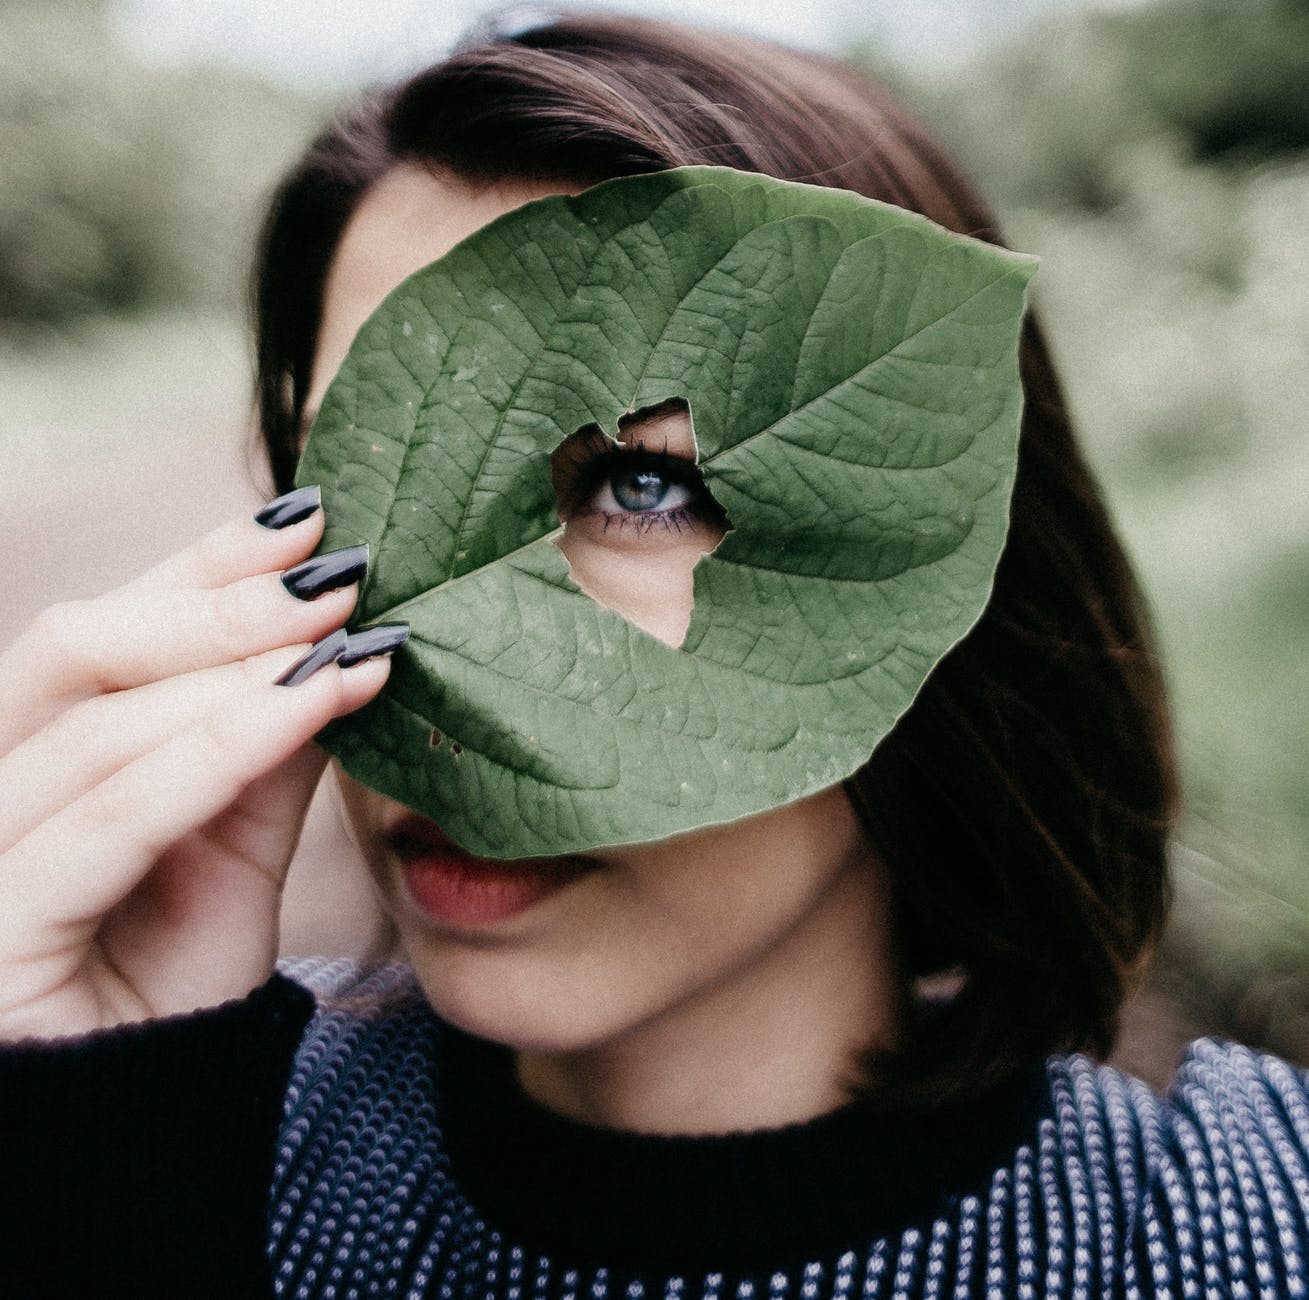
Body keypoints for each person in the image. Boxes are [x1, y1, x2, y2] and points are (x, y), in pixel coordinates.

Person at [2, 13, 1306, 1299]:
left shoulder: (1242, 1234)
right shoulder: (169, 1136)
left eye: (639, 486)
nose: (427, 646)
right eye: (366, 478)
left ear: (947, 563)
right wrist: (95, 1182)